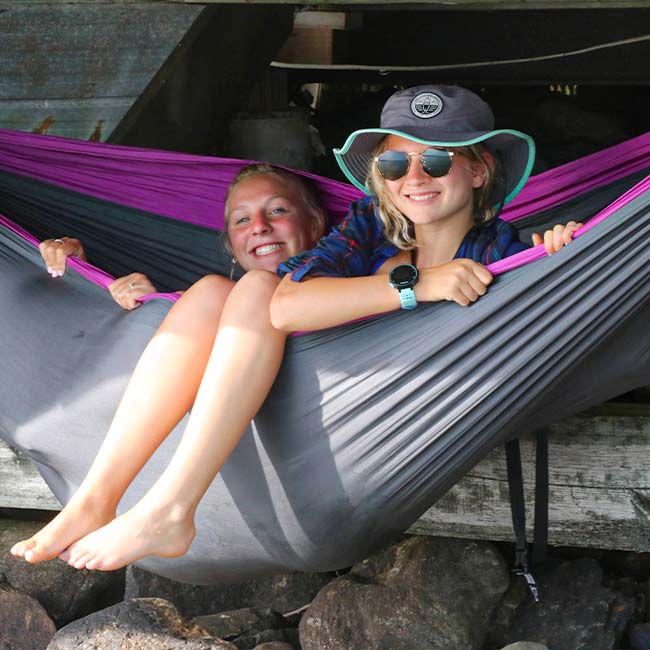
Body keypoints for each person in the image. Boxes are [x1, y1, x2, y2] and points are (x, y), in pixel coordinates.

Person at [12, 85, 578, 572]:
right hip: (312, 389)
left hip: (387, 410)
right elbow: (284, 306)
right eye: (393, 164)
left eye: (435, 162)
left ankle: (168, 509)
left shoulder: (503, 250)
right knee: (224, 289)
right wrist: (414, 286)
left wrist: (567, 248)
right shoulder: (367, 233)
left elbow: (556, 287)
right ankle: (97, 497)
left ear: (478, 169)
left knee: (249, 289)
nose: (413, 177)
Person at [10, 162, 326, 567]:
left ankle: (171, 510)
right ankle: (93, 500)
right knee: (212, 290)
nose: (260, 226)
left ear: (316, 222)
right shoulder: (220, 298)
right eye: (242, 219)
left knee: (260, 287)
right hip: (232, 330)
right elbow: (205, 333)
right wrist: (138, 299)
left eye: (277, 210)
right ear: (231, 244)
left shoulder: (354, 270)